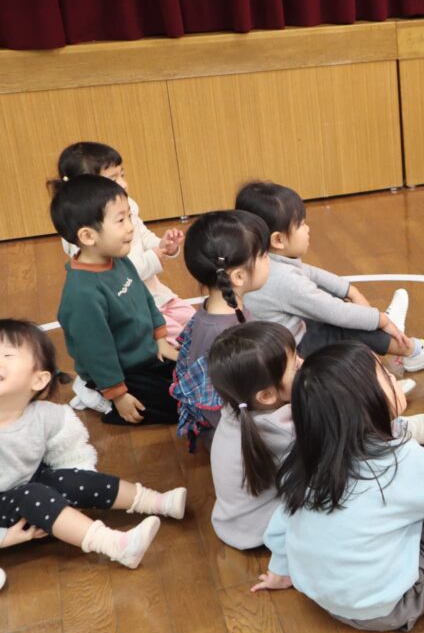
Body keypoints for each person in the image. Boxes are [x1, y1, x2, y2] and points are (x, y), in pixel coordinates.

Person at [250, 341, 424, 632]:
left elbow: (282, 523)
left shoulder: (304, 456)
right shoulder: (401, 464)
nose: (393, 378)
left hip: (323, 596)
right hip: (386, 608)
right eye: (386, 377)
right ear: (366, 403)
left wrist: (281, 571)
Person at [208, 322, 424, 550]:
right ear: (267, 396)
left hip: (237, 522)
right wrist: (382, 412)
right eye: (295, 366)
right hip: (268, 527)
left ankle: (393, 426)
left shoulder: (240, 408)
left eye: (298, 356)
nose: (303, 363)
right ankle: (392, 428)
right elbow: (340, 452)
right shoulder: (279, 430)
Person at [0, 320, 185, 569]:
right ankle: (115, 545)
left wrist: (75, 489)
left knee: (68, 479)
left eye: (8, 355)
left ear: (39, 380)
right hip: (10, 506)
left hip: (27, 482)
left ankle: (157, 502)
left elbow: (71, 450)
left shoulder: (47, 415)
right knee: (33, 494)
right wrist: (4, 538)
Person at [236, 181, 424, 372]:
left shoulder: (260, 260)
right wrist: (379, 319)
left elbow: (309, 273)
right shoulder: (283, 279)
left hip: (285, 341)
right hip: (293, 356)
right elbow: (335, 312)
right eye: (301, 224)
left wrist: (351, 291)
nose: (308, 229)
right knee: (344, 326)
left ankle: (388, 334)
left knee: (334, 304)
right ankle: (412, 351)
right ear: (278, 240)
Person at [48, 142, 194, 414]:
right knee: (177, 405)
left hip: (144, 353)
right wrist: (117, 395)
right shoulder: (83, 294)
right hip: (120, 372)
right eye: (121, 221)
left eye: (129, 218)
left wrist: (160, 339)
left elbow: (146, 300)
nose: (130, 228)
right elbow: (96, 350)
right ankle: (93, 391)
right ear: (87, 236)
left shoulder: (119, 258)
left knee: (191, 380)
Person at [171, 210, 270, 449]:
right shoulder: (221, 334)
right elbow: (213, 405)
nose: (270, 260)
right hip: (228, 431)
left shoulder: (221, 311)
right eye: (264, 255)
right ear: (238, 276)